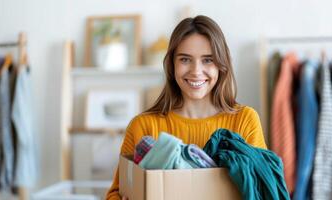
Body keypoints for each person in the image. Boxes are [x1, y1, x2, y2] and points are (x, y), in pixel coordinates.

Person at [105, 15, 267, 200]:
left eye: (207, 60)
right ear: (172, 64)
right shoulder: (143, 126)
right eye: (185, 59)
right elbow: (116, 193)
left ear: (221, 65)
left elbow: (262, 190)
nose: (196, 71)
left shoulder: (244, 120)